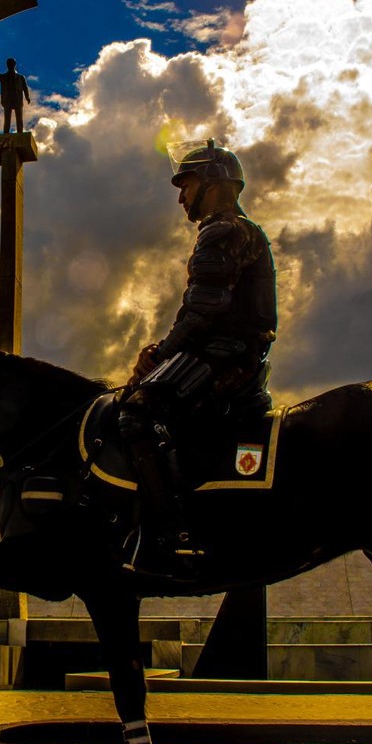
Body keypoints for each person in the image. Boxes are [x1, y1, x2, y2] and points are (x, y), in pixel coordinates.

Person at [119, 138, 277, 578]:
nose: (180, 195)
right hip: (237, 354)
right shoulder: (242, 229)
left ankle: (167, 533)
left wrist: (158, 356)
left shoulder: (221, 229)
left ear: (211, 184)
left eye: (185, 184)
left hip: (222, 356)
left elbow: (203, 309)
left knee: (136, 412)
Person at [0, 48, 31, 134]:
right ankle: (6, 136)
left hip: (18, 100)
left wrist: (27, 97)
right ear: (7, 65)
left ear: (14, 65)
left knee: (19, 119)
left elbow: (25, 88)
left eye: (11, 64)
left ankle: (20, 135)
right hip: (7, 100)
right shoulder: (3, 77)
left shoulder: (21, 77)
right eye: (8, 64)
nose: (10, 65)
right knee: (7, 120)